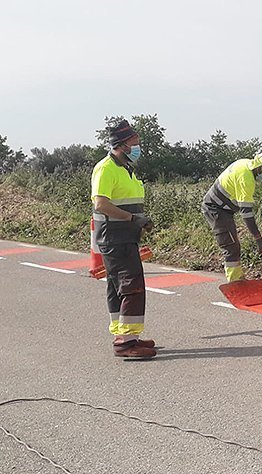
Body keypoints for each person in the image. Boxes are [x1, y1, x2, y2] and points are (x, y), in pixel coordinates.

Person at [90, 120, 156, 359]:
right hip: (115, 237)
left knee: (118, 286)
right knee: (131, 285)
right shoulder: (106, 168)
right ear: (122, 145)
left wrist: (139, 221)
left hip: (124, 236)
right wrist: (132, 218)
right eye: (134, 143)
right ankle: (126, 343)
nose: (138, 147)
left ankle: (126, 335)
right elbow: (101, 203)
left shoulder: (126, 168)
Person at [201, 152, 262, 281]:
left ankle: (237, 278)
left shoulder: (243, 162)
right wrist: (258, 239)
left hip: (220, 208)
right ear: (259, 166)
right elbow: (246, 213)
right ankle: (235, 282)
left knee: (233, 244)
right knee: (231, 246)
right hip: (216, 209)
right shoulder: (247, 179)